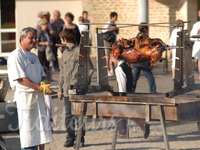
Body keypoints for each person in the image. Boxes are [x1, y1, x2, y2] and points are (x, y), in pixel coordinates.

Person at [7, 27, 55, 150]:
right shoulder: (16, 55)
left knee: (40, 132)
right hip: (25, 99)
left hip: (38, 99)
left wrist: (44, 83)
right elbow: (21, 78)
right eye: (31, 38)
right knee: (28, 134)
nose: (34, 40)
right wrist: (39, 87)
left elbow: (42, 73)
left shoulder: (34, 56)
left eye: (35, 38)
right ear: (22, 38)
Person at [58, 28, 93, 147]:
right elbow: (62, 73)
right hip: (67, 91)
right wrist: (60, 89)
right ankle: (70, 138)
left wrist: (83, 85)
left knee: (79, 116)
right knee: (68, 116)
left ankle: (80, 139)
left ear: (65, 39)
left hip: (78, 90)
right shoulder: (64, 53)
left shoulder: (80, 52)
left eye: (61, 39)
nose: (61, 41)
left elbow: (90, 69)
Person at [111, 54, 150, 139]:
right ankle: (123, 132)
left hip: (125, 92)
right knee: (124, 111)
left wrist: (121, 96)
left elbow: (122, 83)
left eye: (112, 58)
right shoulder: (126, 65)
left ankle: (141, 125)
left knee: (124, 111)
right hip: (130, 91)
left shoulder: (119, 68)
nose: (111, 60)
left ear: (116, 58)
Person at [132, 23, 157, 93]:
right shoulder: (144, 37)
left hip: (137, 60)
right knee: (150, 77)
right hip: (143, 61)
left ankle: (131, 90)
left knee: (134, 78)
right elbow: (147, 47)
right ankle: (153, 91)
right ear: (145, 29)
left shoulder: (137, 36)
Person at [102, 12, 119, 76]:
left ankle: (112, 69)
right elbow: (104, 30)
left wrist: (116, 29)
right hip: (108, 40)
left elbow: (115, 32)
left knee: (112, 55)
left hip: (113, 40)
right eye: (115, 16)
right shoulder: (108, 23)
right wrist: (112, 29)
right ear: (112, 17)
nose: (116, 18)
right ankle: (107, 70)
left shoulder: (114, 23)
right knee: (108, 56)